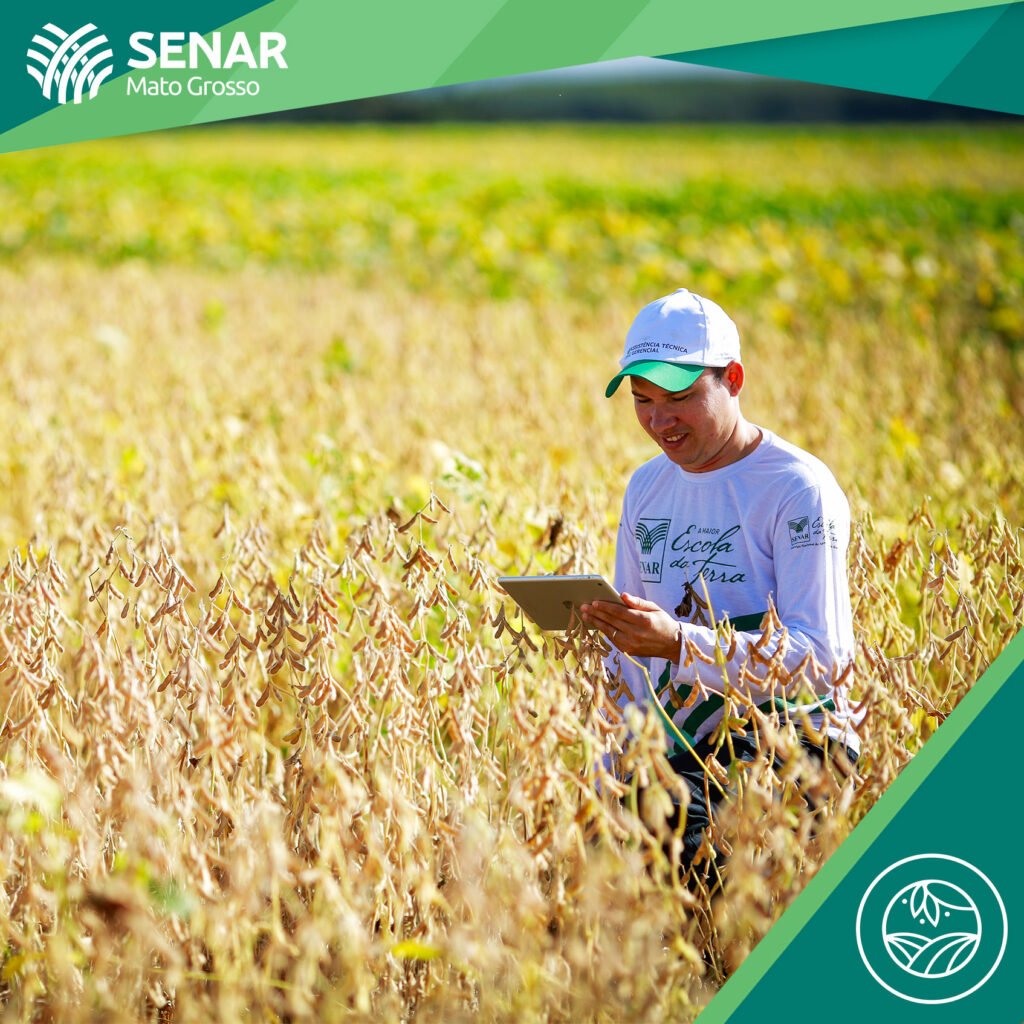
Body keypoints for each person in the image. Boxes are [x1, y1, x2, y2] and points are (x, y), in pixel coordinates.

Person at [580, 288, 859, 867]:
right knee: (601, 858)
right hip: (679, 746)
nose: (659, 420)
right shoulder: (647, 488)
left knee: (680, 847)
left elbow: (823, 659)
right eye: (642, 400)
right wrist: (606, 773)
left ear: (733, 379)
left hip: (795, 741)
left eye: (679, 397)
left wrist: (681, 644)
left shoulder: (798, 489)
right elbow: (631, 659)